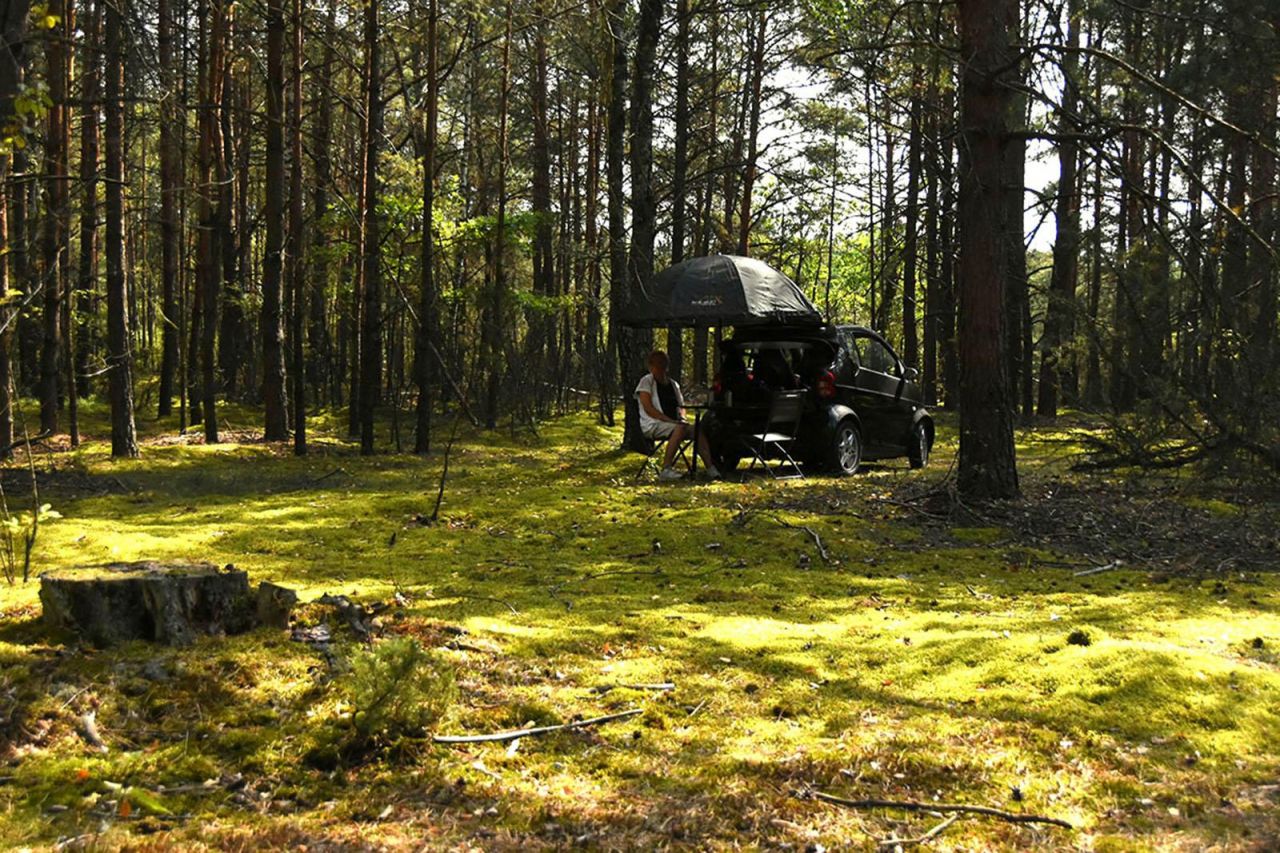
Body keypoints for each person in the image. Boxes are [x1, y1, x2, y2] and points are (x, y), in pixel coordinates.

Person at [636, 350, 721, 481]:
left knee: (696, 429)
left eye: (663, 363)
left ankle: (710, 468)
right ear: (651, 366)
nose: (661, 367)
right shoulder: (646, 382)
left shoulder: (673, 384)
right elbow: (648, 408)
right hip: (654, 424)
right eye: (658, 364)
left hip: (675, 424)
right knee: (680, 428)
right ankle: (666, 469)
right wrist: (668, 420)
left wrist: (681, 418)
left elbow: (681, 407)